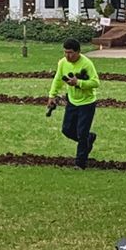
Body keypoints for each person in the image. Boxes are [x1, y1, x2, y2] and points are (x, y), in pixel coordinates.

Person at [46, 38, 102, 168]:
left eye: (70, 53)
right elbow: (58, 79)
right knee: (67, 130)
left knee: (82, 133)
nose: (67, 56)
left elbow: (95, 83)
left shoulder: (87, 64)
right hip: (72, 101)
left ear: (78, 52)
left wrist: (79, 83)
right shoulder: (62, 63)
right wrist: (52, 96)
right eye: (65, 52)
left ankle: (80, 163)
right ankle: (89, 138)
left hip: (87, 103)